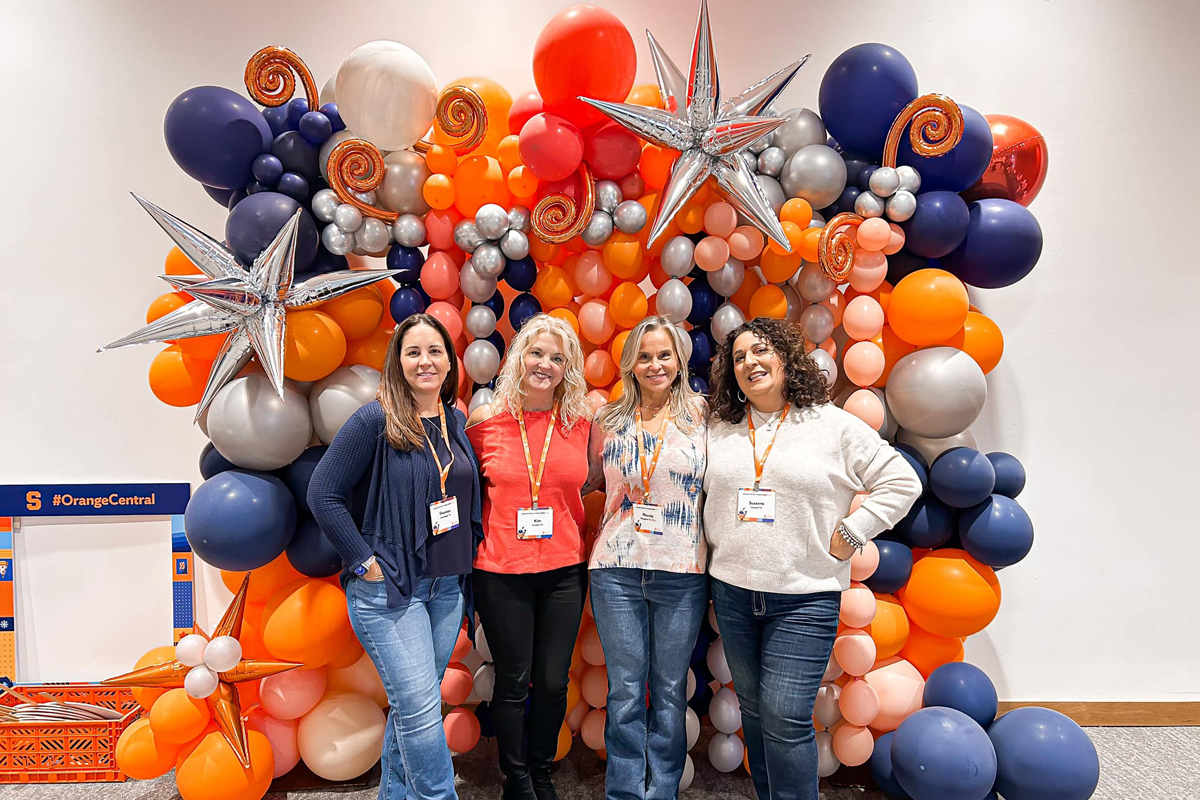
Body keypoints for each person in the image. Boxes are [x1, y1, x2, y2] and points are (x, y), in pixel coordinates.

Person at [703, 318, 921, 800]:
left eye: (760, 352)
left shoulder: (832, 424)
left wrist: (854, 531)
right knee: (756, 715)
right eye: (739, 358)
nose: (750, 364)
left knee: (785, 716)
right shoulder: (720, 429)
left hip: (804, 597)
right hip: (735, 593)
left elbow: (903, 482)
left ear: (785, 357)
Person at [308, 314, 481, 800]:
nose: (425, 361)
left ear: (450, 361)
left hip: (445, 588)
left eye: (434, 351)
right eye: (413, 352)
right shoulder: (375, 420)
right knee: (423, 709)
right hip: (391, 591)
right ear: (397, 362)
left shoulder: (455, 421)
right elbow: (323, 493)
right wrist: (364, 561)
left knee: (413, 707)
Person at [466, 314, 592, 800]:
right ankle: (515, 778)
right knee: (513, 681)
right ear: (519, 358)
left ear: (568, 369)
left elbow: (593, 482)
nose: (545, 365)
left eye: (557, 358)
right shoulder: (485, 423)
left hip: (563, 570)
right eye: (537, 354)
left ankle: (541, 770)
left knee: (554, 681)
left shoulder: (580, 425)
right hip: (501, 572)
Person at [584, 316, 708, 800]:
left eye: (664, 355)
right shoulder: (608, 420)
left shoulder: (703, 416)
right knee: (627, 691)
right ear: (630, 363)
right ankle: (625, 792)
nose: (655, 365)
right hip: (615, 569)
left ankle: (662, 792)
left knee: (671, 690)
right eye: (644, 355)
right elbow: (587, 480)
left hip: (681, 569)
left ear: (679, 359)